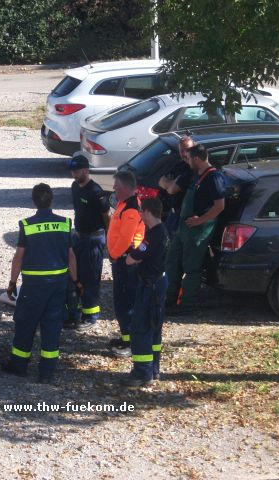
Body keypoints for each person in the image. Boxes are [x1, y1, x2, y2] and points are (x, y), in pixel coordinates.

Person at [3, 183, 78, 384]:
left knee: (26, 324)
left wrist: (12, 283)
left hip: (33, 285)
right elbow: (71, 256)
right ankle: (47, 372)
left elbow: (19, 257)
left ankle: (19, 366)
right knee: (52, 326)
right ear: (51, 199)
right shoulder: (64, 223)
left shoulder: (27, 225)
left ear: (34, 201)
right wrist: (76, 282)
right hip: (57, 284)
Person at [165, 144, 225, 314]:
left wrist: (201, 220)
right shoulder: (195, 174)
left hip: (198, 230)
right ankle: (168, 299)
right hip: (183, 227)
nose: (187, 161)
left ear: (197, 159)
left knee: (191, 268)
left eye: (189, 158)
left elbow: (220, 206)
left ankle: (187, 305)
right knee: (172, 261)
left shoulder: (214, 177)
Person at [124, 197, 169, 387]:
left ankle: (142, 373)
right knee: (154, 326)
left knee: (140, 327)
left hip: (150, 286)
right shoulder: (163, 231)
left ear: (148, 213)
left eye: (142, 211)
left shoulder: (152, 236)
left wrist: (131, 256)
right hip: (159, 282)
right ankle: (154, 368)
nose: (140, 214)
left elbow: (132, 259)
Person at [68, 152, 110, 332]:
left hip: (93, 238)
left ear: (86, 170)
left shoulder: (96, 192)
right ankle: (75, 311)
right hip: (79, 236)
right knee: (74, 275)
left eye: (77, 171)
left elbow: (106, 216)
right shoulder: (75, 187)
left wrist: (108, 238)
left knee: (90, 278)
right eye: (72, 171)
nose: (74, 174)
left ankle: (91, 316)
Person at [106, 170, 145, 357]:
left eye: (116, 186)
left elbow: (126, 238)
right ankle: (126, 337)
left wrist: (113, 253)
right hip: (121, 260)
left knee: (126, 301)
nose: (113, 188)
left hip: (126, 261)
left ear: (125, 187)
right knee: (121, 301)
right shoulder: (124, 204)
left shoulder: (131, 209)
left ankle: (131, 343)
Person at [158, 136, 195, 236]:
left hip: (185, 217)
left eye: (187, 149)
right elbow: (161, 181)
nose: (184, 153)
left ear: (194, 148)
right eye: (181, 150)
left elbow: (172, 190)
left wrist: (170, 184)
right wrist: (173, 183)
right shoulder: (180, 165)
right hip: (173, 214)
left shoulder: (193, 169)